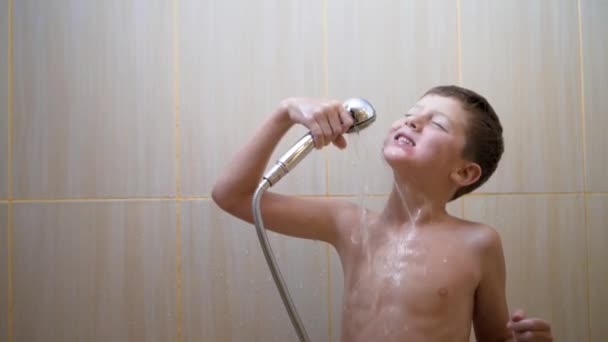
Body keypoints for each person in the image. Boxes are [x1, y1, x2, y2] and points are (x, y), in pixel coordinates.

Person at [212, 85, 553, 341]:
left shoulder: (478, 243)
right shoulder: (350, 225)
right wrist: (285, 113)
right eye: (410, 114)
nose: (413, 122)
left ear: (464, 173)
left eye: (437, 124)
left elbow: (496, 339)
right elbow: (233, 195)